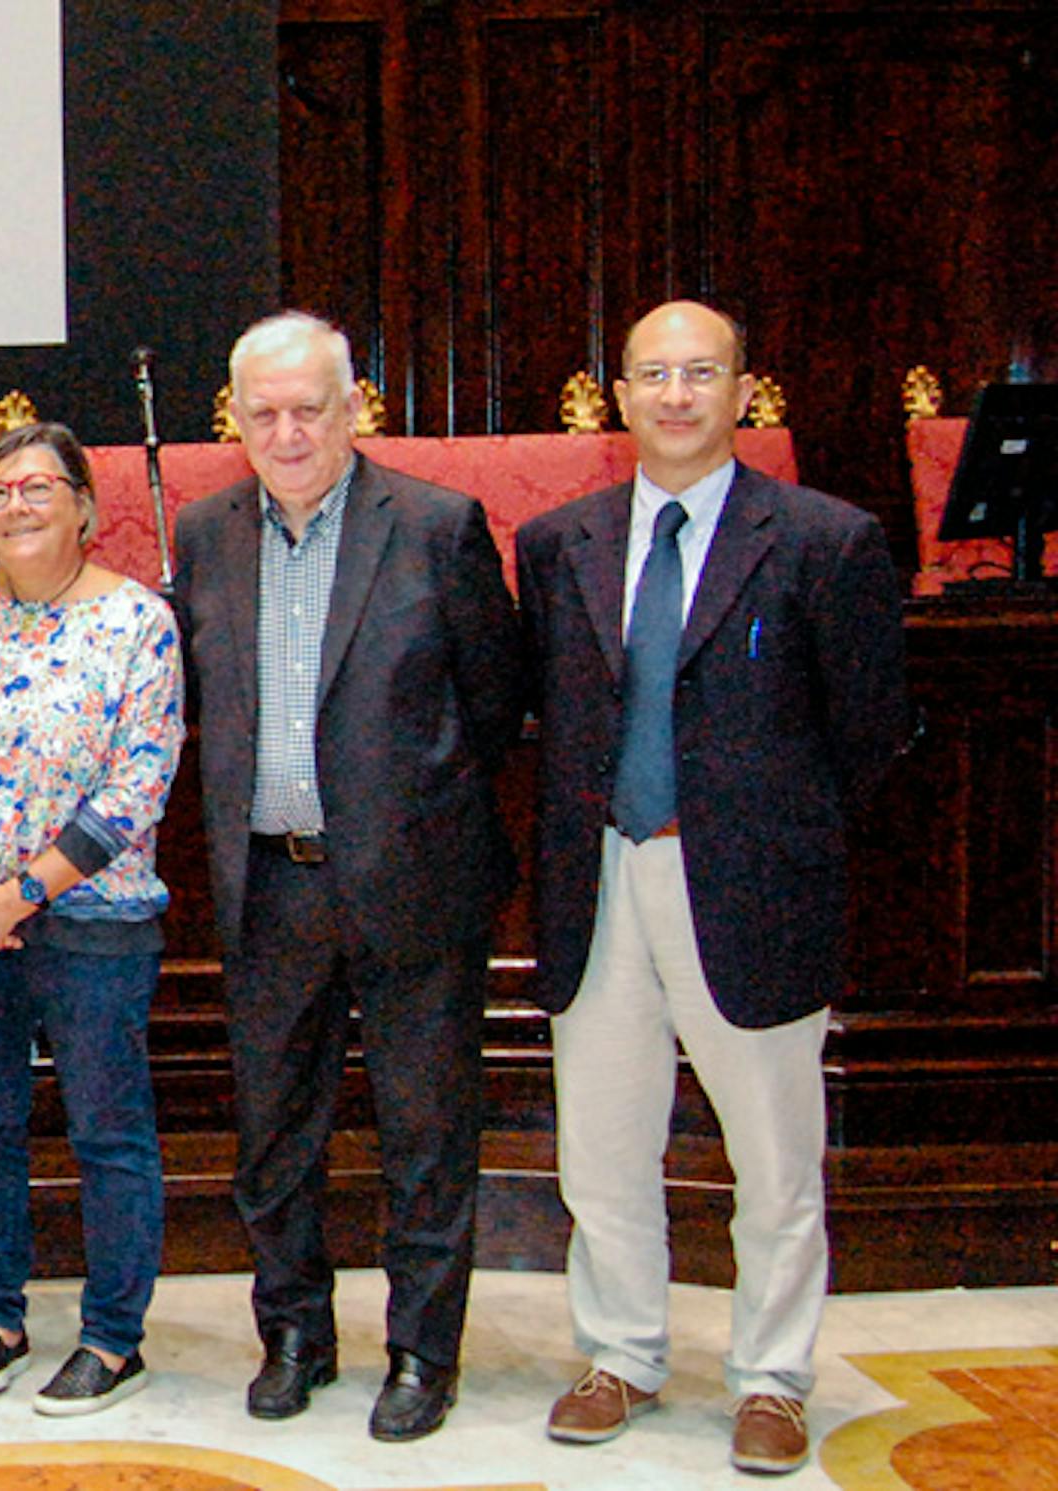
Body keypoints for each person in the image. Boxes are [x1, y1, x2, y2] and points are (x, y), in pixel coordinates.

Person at [517, 301, 908, 1478]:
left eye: (701, 373)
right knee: (603, 1147)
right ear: (620, 397)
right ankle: (622, 1354)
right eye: (653, 375)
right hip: (599, 878)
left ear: (746, 391)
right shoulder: (558, 542)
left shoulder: (825, 540)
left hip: (747, 884)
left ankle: (774, 1378)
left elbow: (873, 730)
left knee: (775, 1159)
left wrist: (764, 825)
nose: (676, 395)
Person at [167, 310, 527, 1443]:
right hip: (269, 885)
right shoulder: (206, 533)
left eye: (307, 408)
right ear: (234, 418)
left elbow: (497, 700)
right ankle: (295, 1335)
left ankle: (422, 1350)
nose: (286, 432)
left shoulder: (435, 526)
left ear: (354, 406)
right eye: (261, 412)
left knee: (427, 1130)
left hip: (412, 882)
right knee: (276, 1131)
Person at [0, 420, 184, 1417]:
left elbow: (136, 785)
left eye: (37, 488)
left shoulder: (138, 620)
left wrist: (17, 895)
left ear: (86, 508)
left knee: (108, 1132)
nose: (15, 507)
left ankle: (112, 1337)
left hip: (91, 920)